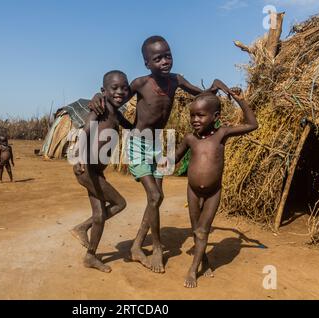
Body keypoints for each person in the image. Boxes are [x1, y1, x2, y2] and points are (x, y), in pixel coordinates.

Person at [88, 35, 229, 273]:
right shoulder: (140, 83)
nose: (164, 61)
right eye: (158, 58)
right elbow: (115, 100)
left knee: (157, 197)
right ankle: (155, 248)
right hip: (138, 143)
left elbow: (202, 94)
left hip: (160, 143)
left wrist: (214, 86)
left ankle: (136, 246)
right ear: (147, 63)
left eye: (168, 55)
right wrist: (98, 98)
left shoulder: (176, 80)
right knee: (154, 196)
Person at [173, 86, 258, 288]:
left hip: (213, 192)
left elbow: (252, 124)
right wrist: (157, 161)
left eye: (200, 115)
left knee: (203, 232)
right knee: (196, 230)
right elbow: (174, 158)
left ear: (215, 116)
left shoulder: (222, 134)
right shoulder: (190, 139)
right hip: (192, 191)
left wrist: (240, 100)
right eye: (192, 115)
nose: (195, 120)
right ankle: (204, 260)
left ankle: (193, 270)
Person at [71, 70, 133, 273]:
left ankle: (90, 255)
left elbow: (131, 126)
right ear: (103, 91)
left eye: (124, 88)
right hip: (87, 169)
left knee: (99, 214)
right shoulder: (100, 107)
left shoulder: (116, 112)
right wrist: (80, 155)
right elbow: (86, 129)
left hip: (96, 173)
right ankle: (83, 228)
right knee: (120, 203)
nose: (120, 92)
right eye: (114, 88)